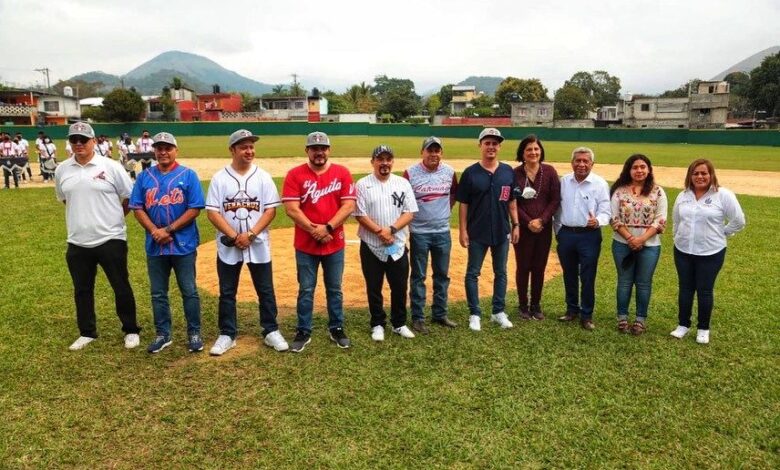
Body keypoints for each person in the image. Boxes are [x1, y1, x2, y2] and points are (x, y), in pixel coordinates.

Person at [54, 122, 140, 351]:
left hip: (111, 238)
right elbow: (65, 199)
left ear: (94, 141)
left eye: (84, 139)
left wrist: (113, 219)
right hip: (77, 240)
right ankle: (87, 332)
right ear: (69, 143)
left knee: (120, 285)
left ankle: (131, 329)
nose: (79, 144)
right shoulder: (62, 169)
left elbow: (128, 197)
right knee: (82, 289)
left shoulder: (111, 166)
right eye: (74, 140)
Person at [205, 129, 289, 356]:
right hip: (229, 246)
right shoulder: (219, 178)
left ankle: (271, 330)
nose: (249, 151)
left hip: (258, 243)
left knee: (265, 290)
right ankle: (227, 334)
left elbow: (270, 211)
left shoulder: (262, 177)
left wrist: (250, 234)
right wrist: (234, 236)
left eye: (251, 146)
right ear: (232, 150)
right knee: (227, 291)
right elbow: (212, 213)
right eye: (244, 147)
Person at [129, 132, 205, 353]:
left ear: (175, 150)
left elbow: (195, 208)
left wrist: (168, 229)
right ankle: (163, 334)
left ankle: (194, 332)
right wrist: (155, 231)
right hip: (155, 245)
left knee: (189, 291)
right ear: (154, 151)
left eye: (167, 148)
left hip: (183, 244)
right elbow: (137, 207)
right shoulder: (145, 177)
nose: (163, 152)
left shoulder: (188, 175)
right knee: (158, 292)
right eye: (159, 148)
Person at [282, 131, 356, 352]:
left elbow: (348, 206)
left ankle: (337, 328)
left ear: (329, 150)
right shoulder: (295, 174)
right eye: (314, 148)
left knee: (335, 289)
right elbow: (291, 209)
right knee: (306, 289)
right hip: (306, 244)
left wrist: (328, 227)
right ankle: (303, 330)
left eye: (323, 148)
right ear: (307, 151)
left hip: (334, 242)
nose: (319, 152)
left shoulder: (342, 173)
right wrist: (315, 230)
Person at [670, 159, 745, 344]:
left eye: (704, 173)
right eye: (695, 173)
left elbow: (739, 220)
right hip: (683, 250)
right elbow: (676, 220)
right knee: (685, 289)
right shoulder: (683, 195)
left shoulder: (723, 195)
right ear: (690, 176)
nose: (700, 176)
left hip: (711, 252)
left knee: (704, 290)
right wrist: (677, 237)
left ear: (711, 175)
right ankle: (683, 325)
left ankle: (703, 328)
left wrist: (722, 232)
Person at [455, 128, 520, 332]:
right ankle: (475, 313)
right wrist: (463, 230)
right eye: (487, 143)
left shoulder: (508, 171)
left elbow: (512, 201)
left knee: (501, 272)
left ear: (499, 147)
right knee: (473, 273)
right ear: (480, 146)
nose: (491, 147)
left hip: (502, 231)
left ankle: (498, 312)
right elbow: (463, 204)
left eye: (495, 143)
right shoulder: (470, 173)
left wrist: (516, 224)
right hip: (477, 231)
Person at [355, 145, 419, 341]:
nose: (384, 163)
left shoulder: (402, 183)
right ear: (372, 161)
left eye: (388, 159)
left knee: (399, 286)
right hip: (371, 245)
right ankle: (377, 323)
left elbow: (410, 212)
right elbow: (360, 214)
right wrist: (379, 232)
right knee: (374, 286)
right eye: (380, 159)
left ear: (393, 161)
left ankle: (399, 323)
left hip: (397, 244)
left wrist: (390, 230)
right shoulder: (362, 184)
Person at [403, 136, 459, 333]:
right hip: (419, 232)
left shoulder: (450, 172)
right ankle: (418, 317)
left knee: (442, 275)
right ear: (422, 152)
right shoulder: (410, 173)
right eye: (430, 150)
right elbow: (404, 200)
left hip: (443, 231)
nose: (434, 154)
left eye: (437, 150)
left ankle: (440, 314)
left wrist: (445, 210)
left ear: (441, 153)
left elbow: (453, 193)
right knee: (418, 276)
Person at [609, 154, 667, 335]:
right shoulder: (619, 191)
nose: (639, 170)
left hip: (649, 245)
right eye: (635, 167)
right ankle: (622, 318)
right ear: (629, 170)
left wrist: (640, 239)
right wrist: (629, 238)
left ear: (649, 169)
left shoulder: (658, 191)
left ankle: (640, 319)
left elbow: (660, 220)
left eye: (643, 167)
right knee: (624, 282)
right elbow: (614, 218)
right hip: (621, 243)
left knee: (643, 283)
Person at [554, 147, 611, 330]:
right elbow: (556, 209)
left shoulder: (600, 184)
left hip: (589, 236)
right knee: (569, 273)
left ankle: (587, 315)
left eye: (586, 161)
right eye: (578, 161)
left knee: (588, 276)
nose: (581, 164)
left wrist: (599, 221)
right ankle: (572, 309)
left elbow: (606, 211)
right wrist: (559, 232)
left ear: (592, 164)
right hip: (567, 234)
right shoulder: (564, 181)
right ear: (572, 163)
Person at [512, 135, 560, 320]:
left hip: (543, 228)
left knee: (539, 267)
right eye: (529, 149)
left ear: (541, 151)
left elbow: (555, 199)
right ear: (522, 153)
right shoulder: (515, 174)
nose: (533, 152)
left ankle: (536, 304)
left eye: (536, 149)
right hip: (522, 229)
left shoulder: (549, 171)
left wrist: (542, 220)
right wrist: (527, 222)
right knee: (523, 266)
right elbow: (513, 201)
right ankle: (523, 304)